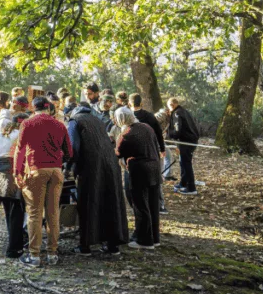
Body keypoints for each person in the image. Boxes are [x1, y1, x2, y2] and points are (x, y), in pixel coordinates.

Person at [14, 96, 72, 266]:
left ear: (33, 108)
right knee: (53, 213)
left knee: (35, 213)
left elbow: (20, 149)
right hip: (56, 171)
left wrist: (17, 172)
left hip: (36, 170)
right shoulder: (60, 125)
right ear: (49, 108)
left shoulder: (28, 124)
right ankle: (52, 253)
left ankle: (34, 255)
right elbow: (69, 152)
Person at [67, 98, 128, 256]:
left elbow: (73, 148)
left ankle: (85, 246)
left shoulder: (75, 121)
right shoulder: (98, 120)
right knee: (110, 202)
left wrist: (68, 167)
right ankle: (112, 245)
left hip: (91, 167)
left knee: (88, 203)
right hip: (110, 165)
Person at [114, 107, 161, 249]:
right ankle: (155, 238)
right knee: (153, 205)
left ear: (121, 119)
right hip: (155, 168)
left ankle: (145, 241)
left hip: (139, 171)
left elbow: (117, 153)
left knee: (140, 206)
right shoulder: (147, 127)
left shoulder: (126, 134)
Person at [0, 97, 29, 258]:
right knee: (17, 213)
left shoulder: (0, 135)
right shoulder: (21, 135)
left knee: (9, 212)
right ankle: (14, 249)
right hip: (11, 172)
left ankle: (15, 242)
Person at [132, 93, 167, 215]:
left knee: (139, 179)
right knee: (155, 177)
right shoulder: (150, 116)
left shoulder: (129, 117)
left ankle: (145, 205)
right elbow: (159, 132)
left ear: (130, 103)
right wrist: (162, 148)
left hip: (136, 152)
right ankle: (159, 205)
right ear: (141, 103)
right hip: (151, 151)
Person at [167, 97, 200, 195]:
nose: (168, 109)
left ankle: (191, 188)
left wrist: (169, 134)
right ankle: (183, 183)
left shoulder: (177, 113)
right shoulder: (184, 111)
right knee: (183, 162)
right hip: (189, 140)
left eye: (168, 106)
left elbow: (178, 131)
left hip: (187, 142)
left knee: (186, 164)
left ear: (172, 105)